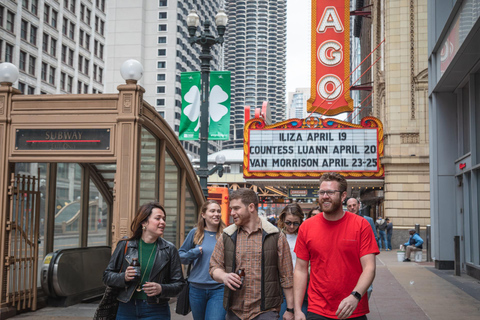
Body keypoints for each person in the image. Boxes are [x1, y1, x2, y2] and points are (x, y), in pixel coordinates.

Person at [293, 173, 379, 320]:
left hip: (353, 308)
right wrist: (297, 309)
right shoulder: (306, 227)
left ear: (343, 195)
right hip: (317, 309)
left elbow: (369, 268)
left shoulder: (361, 225)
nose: (325, 196)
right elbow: (300, 270)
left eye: (331, 192)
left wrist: (355, 296)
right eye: (322, 192)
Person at [209, 188, 295, 320]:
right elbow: (214, 267)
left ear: (251, 207)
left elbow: (287, 275)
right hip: (235, 310)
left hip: (266, 311)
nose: (232, 213)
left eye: (236, 208)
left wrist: (290, 309)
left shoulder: (276, 236)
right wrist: (224, 276)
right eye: (231, 209)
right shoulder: (227, 236)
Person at [103, 202, 185, 320]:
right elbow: (107, 276)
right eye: (158, 218)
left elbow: (179, 284)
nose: (163, 222)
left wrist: (161, 288)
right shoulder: (125, 245)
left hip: (156, 309)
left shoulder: (169, 249)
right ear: (144, 222)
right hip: (126, 308)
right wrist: (124, 277)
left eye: (164, 219)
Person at [178, 200, 226, 320]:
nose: (216, 214)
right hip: (196, 289)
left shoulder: (226, 235)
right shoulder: (195, 233)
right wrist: (193, 253)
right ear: (203, 214)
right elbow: (180, 256)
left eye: (218, 211)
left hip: (219, 289)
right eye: (212, 211)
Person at [277, 203, 308, 318]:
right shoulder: (278, 237)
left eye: (295, 223)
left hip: (303, 286)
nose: (291, 226)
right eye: (288, 222)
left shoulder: (304, 236)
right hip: (283, 287)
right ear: (283, 220)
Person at [346, 198, 378, 300]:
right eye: (350, 206)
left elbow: (375, 238)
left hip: (365, 256)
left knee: (367, 288)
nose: (352, 208)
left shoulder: (368, 220)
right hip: (350, 258)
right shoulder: (344, 220)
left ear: (359, 205)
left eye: (354, 205)